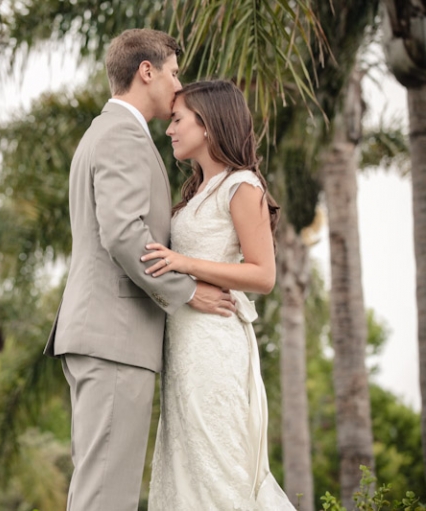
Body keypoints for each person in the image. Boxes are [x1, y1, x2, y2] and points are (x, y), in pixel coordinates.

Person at [43, 30, 236, 511]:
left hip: (108, 337)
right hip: (114, 338)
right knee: (107, 496)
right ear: (145, 71)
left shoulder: (108, 132)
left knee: (100, 490)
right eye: (174, 71)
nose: (178, 83)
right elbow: (124, 234)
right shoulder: (121, 134)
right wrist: (189, 291)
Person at [142, 80, 295, 510]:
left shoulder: (241, 185)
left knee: (219, 469)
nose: (169, 129)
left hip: (215, 345)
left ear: (207, 125)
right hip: (184, 349)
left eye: (177, 119)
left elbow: (263, 274)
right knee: (187, 468)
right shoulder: (194, 195)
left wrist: (183, 263)